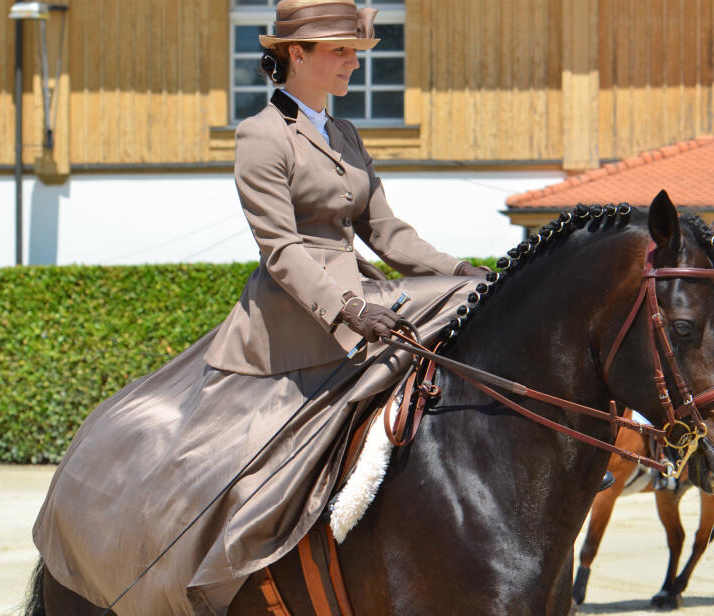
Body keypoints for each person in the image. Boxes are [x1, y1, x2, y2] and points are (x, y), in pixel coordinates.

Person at [32, 1, 486, 613]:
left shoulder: (346, 135)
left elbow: (386, 231)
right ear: (296, 54)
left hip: (365, 294)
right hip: (296, 314)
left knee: (460, 311)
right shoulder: (260, 135)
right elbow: (281, 249)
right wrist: (348, 308)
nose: (354, 63)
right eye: (340, 51)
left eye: (355, 52)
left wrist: (460, 271)